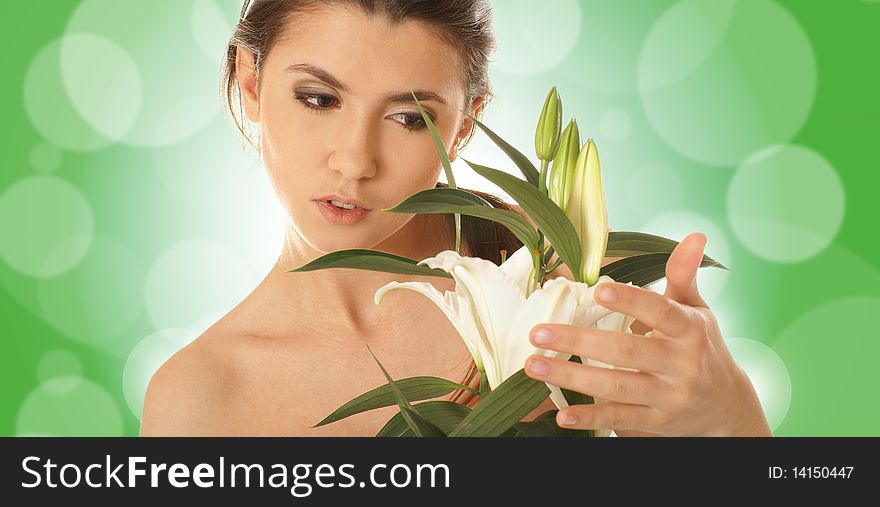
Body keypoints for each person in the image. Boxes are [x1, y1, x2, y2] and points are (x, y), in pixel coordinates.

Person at [140, 0, 771, 437]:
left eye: (410, 118)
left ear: (464, 124)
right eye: (319, 98)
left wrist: (731, 419)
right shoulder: (197, 398)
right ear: (250, 82)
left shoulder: (572, 289)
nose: (356, 161)